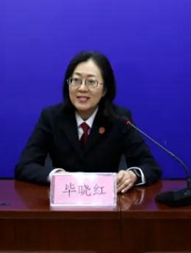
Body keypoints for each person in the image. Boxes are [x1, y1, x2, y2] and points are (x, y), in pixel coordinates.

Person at [15, 50, 162, 192]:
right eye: (76, 80)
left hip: (105, 201)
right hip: (64, 200)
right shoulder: (51, 117)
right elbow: (24, 166)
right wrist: (57, 176)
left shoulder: (120, 118)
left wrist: (133, 175)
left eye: (91, 82)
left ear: (105, 90)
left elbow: (150, 166)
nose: (82, 88)